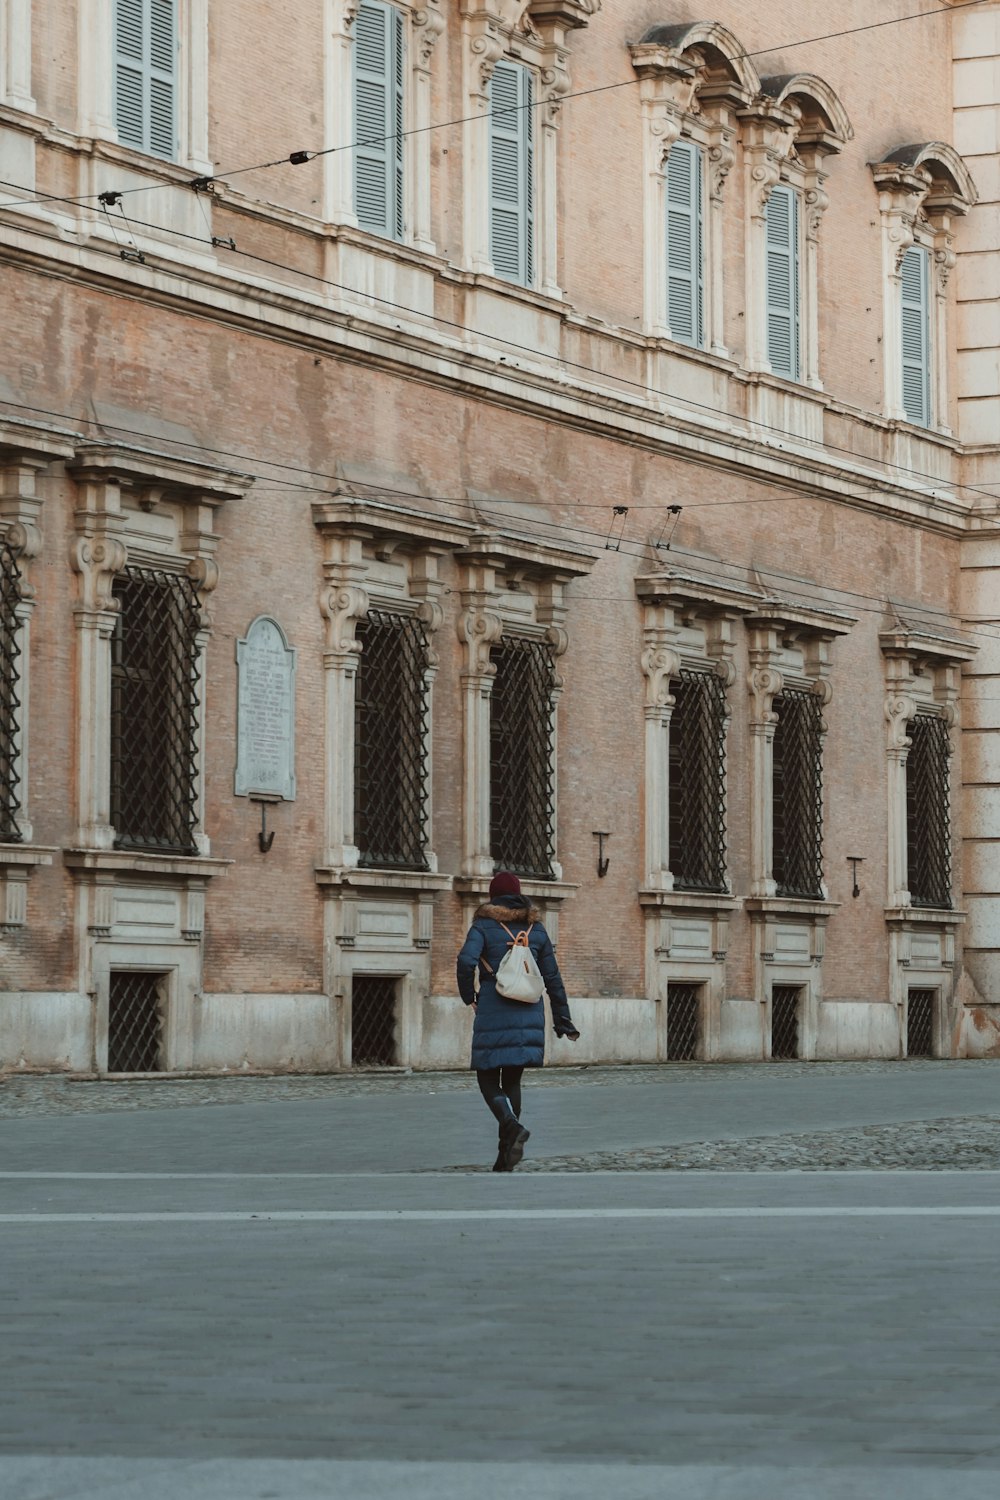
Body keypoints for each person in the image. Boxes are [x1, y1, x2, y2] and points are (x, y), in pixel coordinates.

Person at [456, 871, 579, 1171]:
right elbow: (553, 978)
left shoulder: (483, 926)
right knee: (512, 1078)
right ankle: (504, 1158)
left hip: (494, 1008)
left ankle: (510, 1126)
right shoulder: (535, 929)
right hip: (528, 1010)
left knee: (487, 1076)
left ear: (492, 896)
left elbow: (465, 961)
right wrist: (563, 1020)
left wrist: (467, 994)